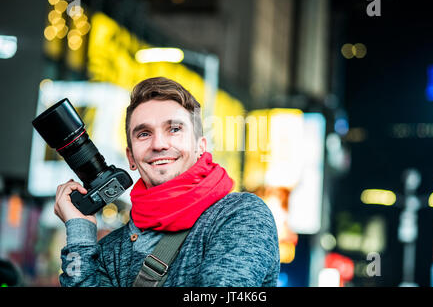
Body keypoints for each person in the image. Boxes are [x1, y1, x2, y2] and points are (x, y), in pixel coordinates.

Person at [55, 77, 280, 287]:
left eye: (174, 129)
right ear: (131, 157)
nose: (159, 144)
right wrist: (80, 233)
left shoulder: (240, 215)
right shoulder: (109, 251)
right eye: (144, 133)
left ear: (200, 146)